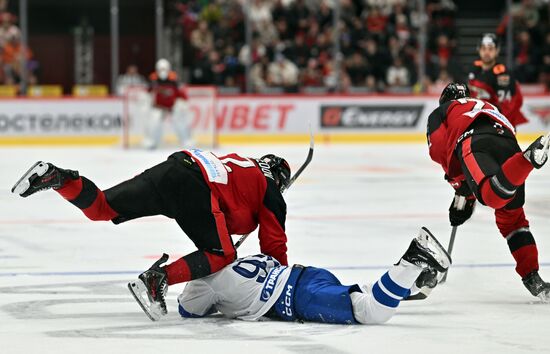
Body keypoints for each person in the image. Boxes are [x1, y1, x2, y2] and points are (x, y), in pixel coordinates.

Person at [12, 149, 292, 320]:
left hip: (175, 168)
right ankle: (158, 279)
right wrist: (279, 279)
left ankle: (59, 178)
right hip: (195, 186)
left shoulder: (244, 163)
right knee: (221, 254)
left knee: (102, 208)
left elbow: (224, 205)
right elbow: (274, 244)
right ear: (280, 178)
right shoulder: (270, 190)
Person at [426, 82, 550, 301]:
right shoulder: (487, 104)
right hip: (508, 144)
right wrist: (466, 194)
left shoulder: (441, 112)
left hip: (474, 141)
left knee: (490, 196)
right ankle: (533, 278)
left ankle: (527, 160)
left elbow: (440, 151)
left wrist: (461, 191)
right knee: (512, 221)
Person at [176, 227, 451, 324]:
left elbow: (188, 310)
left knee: (372, 313)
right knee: (362, 294)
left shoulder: (207, 282)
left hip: (299, 298)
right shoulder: (244, 259)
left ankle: (413, 261)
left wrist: (198, 281)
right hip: (309, 275)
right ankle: (408, 283)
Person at [468, 33, 528, 128]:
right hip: (479, 121)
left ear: (497, 50)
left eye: (490, 49)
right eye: (483, 48)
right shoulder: (474, 69)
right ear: (479, 50)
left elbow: (507, 107)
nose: (487, 52)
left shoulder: (503, 74)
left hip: (499, 123)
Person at [144, 58, 191, 149]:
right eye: (161, 69)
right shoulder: (153, 79)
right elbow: (148, 92)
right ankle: (153, 141)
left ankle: (185, 141)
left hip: (172, 106)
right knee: (154, 122)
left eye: (164, 69)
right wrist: (148, 102)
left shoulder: (173, 79)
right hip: (158, 106)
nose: (163, 72)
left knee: (179, 122)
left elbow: (180, 92)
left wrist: (183, 101)